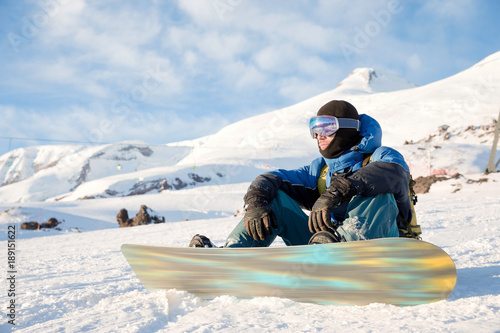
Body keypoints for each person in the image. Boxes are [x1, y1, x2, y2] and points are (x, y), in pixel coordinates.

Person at [189, 100, 413, 248]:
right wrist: (257, 198)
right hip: (323, 249)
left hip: (384, 249)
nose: (318, 135)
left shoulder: (381, 156)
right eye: (315, 129)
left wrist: (338, 190)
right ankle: (230, 257)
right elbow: (273, 179)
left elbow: (392, 173)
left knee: (377, 192)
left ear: (346, 129)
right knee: (275, 198)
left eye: (326, 127)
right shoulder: (320, 170)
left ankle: (343, 253)